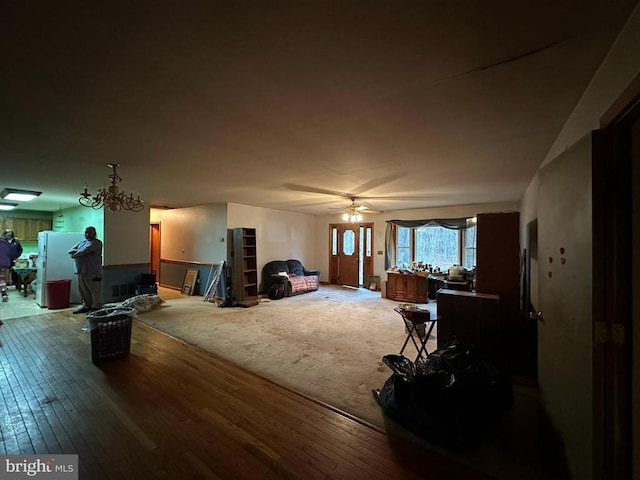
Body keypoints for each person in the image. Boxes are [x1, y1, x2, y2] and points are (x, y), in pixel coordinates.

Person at [68, 226, 103, 313]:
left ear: (94, 233)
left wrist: (76, 254)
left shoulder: (96, 243)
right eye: (86, 232)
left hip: (92, 271)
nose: (87, 234)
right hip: (80, 270)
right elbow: (70, 250)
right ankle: (87, 306)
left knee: (94, 290)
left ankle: (96, 307)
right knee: (83, 290)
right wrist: (79, 252)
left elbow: (84, 251)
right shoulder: (81, 242)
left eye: (90, 232)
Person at [0, 235, 12, 301]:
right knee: (2, 279)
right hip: (3, 265)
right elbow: (10, 254)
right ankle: (4, 294)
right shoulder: (6, 244)